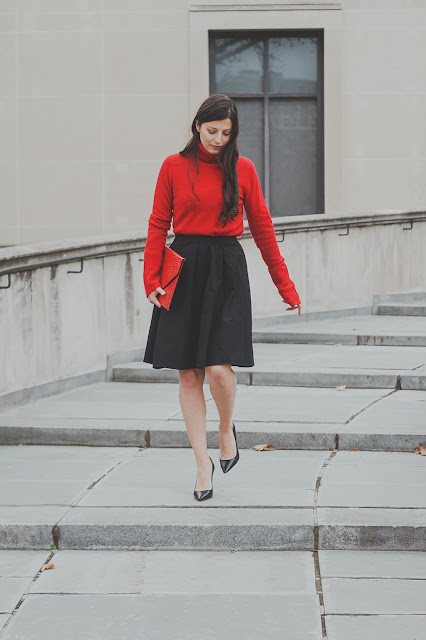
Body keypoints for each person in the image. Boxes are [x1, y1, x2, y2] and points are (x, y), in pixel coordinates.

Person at [142, 94, 302, 502]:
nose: (217, 139)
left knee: (217, 369)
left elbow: (263, 229)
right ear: (198, 125)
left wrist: (285, 285)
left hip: (227, 268)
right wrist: (151, 279)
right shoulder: (173, 167)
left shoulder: (243, 169)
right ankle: (201, 464)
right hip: (183, 268)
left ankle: (226, 427)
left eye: (225, 133)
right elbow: (159, 224)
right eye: (211, 131)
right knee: (188, 373)